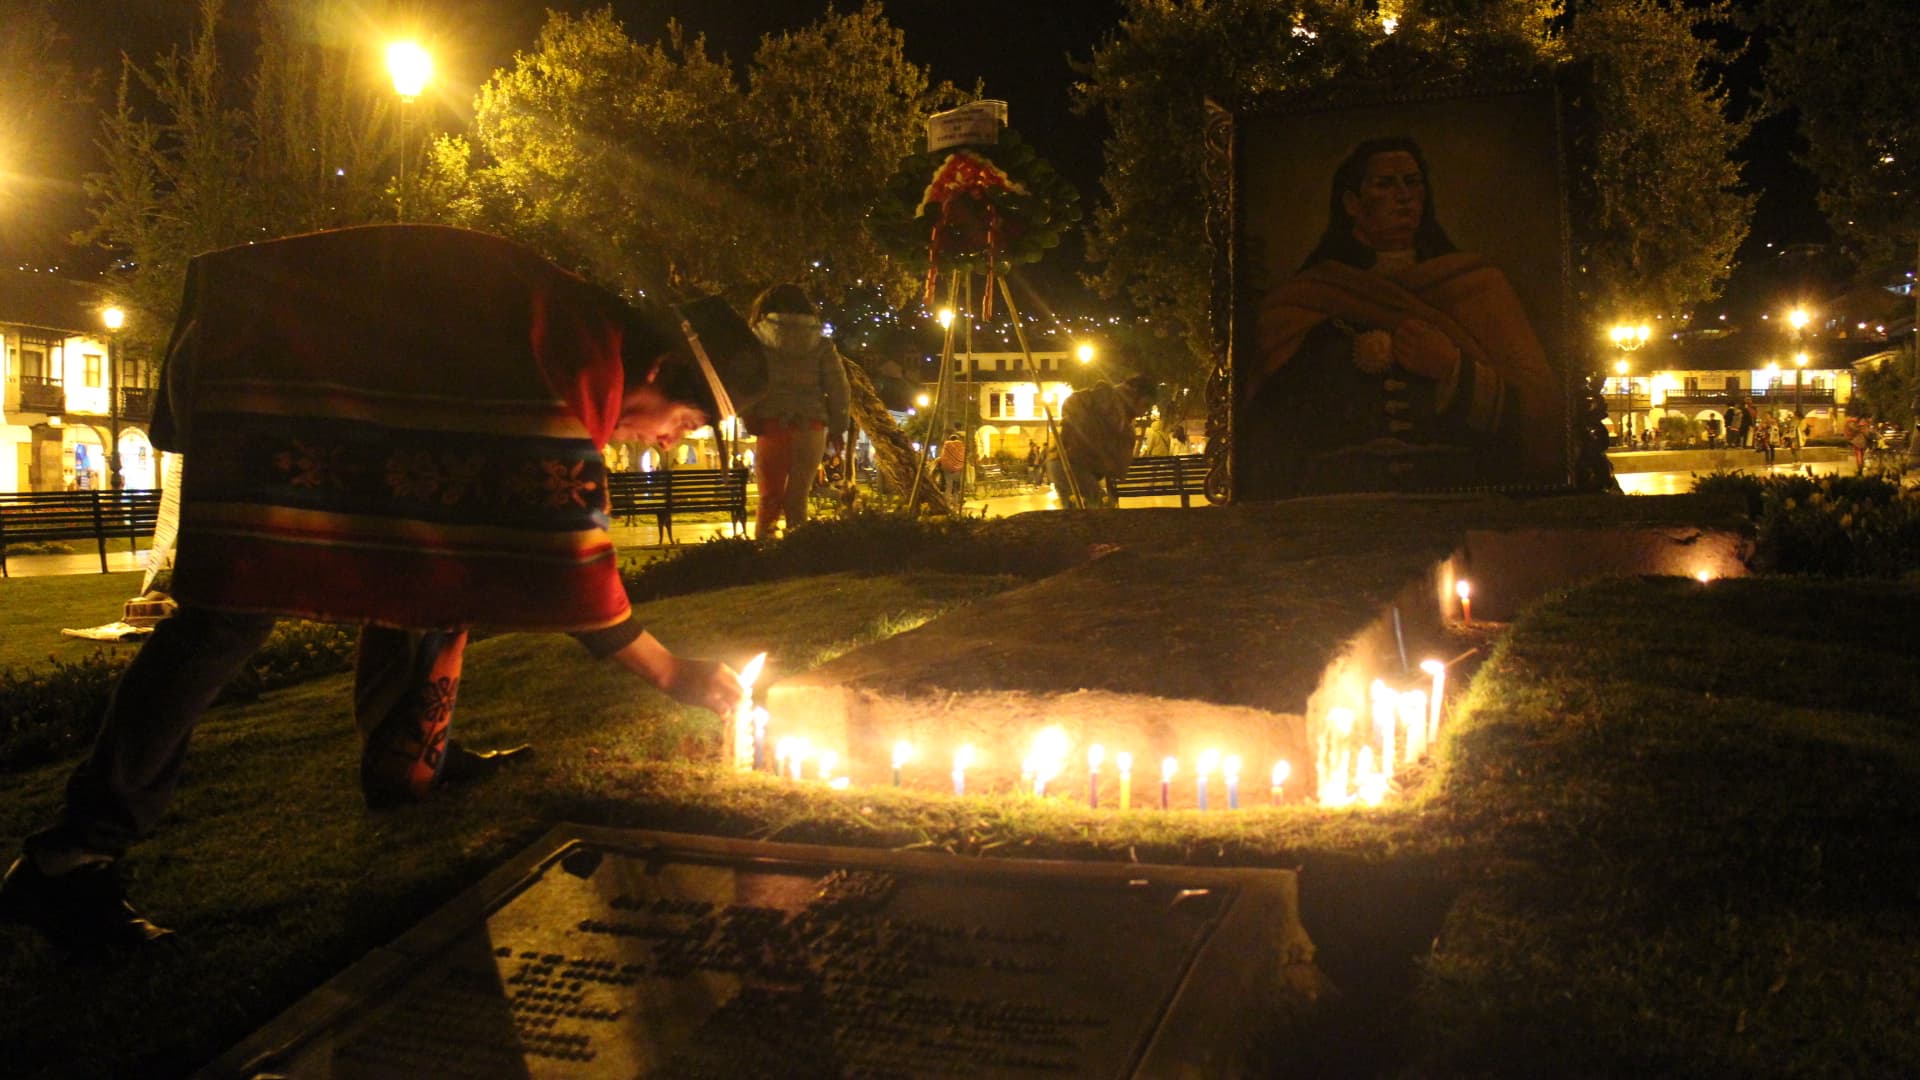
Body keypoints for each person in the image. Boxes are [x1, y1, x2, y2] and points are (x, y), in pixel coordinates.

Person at [0, 225, 758, 954]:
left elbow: (473, 532)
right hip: (261, 365)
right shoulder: (577, 358)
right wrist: (670, 671)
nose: (666, 442)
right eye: (683, 423)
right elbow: (561, 553)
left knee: (431, 554)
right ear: (659, 371)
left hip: (300, 362)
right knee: (230, 610)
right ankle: (71, 859)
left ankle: (407, 752)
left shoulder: (581, 334)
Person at [1244, 136, 1561, 497]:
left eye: (1412, 183)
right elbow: (1268, 425)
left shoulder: (1477, 286)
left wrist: (1453, 370)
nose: (1404, 196)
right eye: (1384, 184)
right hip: (1338, 505)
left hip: (1457, 498)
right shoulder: (1306, 297)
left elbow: (1542, 418)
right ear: (1352, 202)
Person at [741, 284, 851, 539]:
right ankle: (797, 553)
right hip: (811, 426)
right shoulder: (822, 344)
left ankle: (764, 552)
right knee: (797, 498)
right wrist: (837, 428)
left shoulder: (756, 340)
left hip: (770, 424)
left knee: (769, 496)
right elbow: (838, 388)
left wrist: (749, 414)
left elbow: (747, 381)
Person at [1050, 374, 1157, 508]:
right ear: (1133, 394)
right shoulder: (1107, 400)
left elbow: (1119, 469)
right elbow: (1072, 405)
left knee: (1081, 515)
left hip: (1074, 465)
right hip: (1070, 463)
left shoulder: (1125, 425)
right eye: (1145, 405)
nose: (1143, 412)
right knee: (1099, 510)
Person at [937, 428, 967, 504]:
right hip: (957, 469)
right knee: (956, 486)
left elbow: (944, 456)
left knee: (948, 485)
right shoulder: (961, 446)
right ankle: (955, 501)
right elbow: (962, 457)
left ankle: (946, 502)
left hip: (947, 468)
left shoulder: (947, 445)